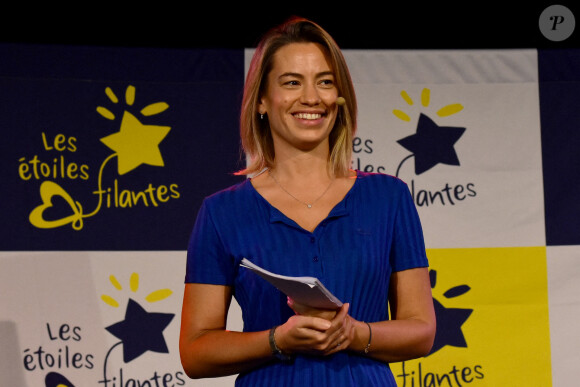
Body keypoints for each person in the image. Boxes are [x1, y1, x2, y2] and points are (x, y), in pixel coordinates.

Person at [179, 16, 436, 386]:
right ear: (262, 101)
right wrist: (276, 339)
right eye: (292, 82)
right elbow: (196, 351)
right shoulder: (221, 212)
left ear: (340, 97)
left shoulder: (389, 197)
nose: (312, 97)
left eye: (325, 82)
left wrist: (355, 334)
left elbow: (421, 330)